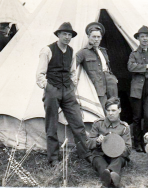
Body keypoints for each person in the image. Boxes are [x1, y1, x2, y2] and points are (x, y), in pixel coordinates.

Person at [36, 22, 93, 166]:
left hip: (67, 90)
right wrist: (48, 87)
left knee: (77, 121)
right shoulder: (47, 50)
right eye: (65, 34)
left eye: (70, 35)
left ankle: (85, 154)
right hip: (52, 90)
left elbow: (72, 71)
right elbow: (40, 75)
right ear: (58, 35)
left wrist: (72, 86)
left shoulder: (71, 51)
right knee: (52, 125)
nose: (67, 37)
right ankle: (53, 158)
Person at [87, 97, 131, 188]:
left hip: (117, 156)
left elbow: (128, 148)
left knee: (119, 160)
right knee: (98, 160)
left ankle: (107, 178)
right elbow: (89, 143)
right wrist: (97, 141)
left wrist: (116, 147)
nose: (110, 113)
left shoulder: (124, 127)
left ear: (119, 110)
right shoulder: (98, 124)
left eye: (113, 110)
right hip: (100, 154)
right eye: (108, 110)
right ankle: (112, 178)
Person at [76, 22, 118, 109]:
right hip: (98, 83)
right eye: (94, 37)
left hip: (110, 82)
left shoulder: (103, 51)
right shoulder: (83, 52)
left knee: (115, 105)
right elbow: (72, 67)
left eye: (98, 37)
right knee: (103, 108)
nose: (96, 39)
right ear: (88, 37)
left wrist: (113, 78)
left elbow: (107, 66)